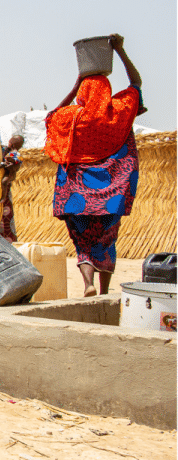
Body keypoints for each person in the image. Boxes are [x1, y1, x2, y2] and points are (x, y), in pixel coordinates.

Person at [46, 34, 143, 297]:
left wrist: (77, 83)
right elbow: (136, 83)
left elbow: (51, 115)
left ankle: (87, 284)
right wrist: (120, 51)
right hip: (112, 194)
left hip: (76, 195)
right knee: (107, 238)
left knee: (83, 242)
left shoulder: (71, 118)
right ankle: (103, 289)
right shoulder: (119, 111)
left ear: (83, 93)